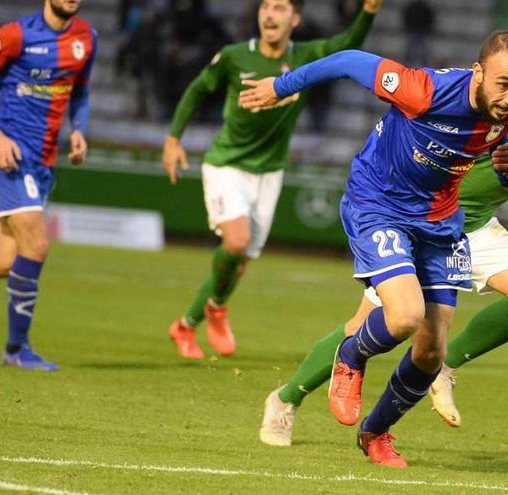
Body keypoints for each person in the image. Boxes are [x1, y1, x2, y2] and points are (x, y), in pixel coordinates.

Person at [256, 49, 508, 443]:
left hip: (467, 225)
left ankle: (440, 372)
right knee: (370, 324)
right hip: (424, 223)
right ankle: (285, 400)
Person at [241, 31, 508, 468]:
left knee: (433, 350)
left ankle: (376, 432)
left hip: (439, 221)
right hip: (379, 204)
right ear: (478, 72)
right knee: (403, 316)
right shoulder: (423, 90)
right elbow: (345, 59)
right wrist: (282, 86)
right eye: (504, 83)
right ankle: (351, 355)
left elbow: (483, 148)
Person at [163, 0, 382, 359]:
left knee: (242, 259)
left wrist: (369, 10)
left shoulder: (306, 56)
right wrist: (173, 139)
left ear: (295, 19)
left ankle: (185, 325)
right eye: (266, 7)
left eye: (280, 8)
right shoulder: (235, 56)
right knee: (236, 243)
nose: (270, 14)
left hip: (269, 172)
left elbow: (347, 44)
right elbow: (198, 89)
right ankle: (216, 306)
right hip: (227, 164)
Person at [0, 0, 97, 371]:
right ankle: (17, 350)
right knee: (36, 245)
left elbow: (80, 91)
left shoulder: (87, 37)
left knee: (3, 263)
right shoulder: (15, 35)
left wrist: (79, 129)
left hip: (44, 161)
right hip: (9, 155)